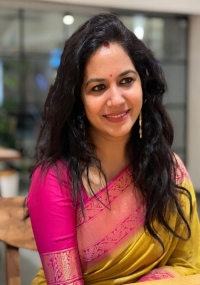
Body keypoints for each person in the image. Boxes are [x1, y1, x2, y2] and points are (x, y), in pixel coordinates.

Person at [27, 13, 200, 285]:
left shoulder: (168, 170)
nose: (116, 99)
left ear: (143, 84)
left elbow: (188, 266)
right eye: (98, 87)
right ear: (78, 101)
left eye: (126, 81)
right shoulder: (55, 181)